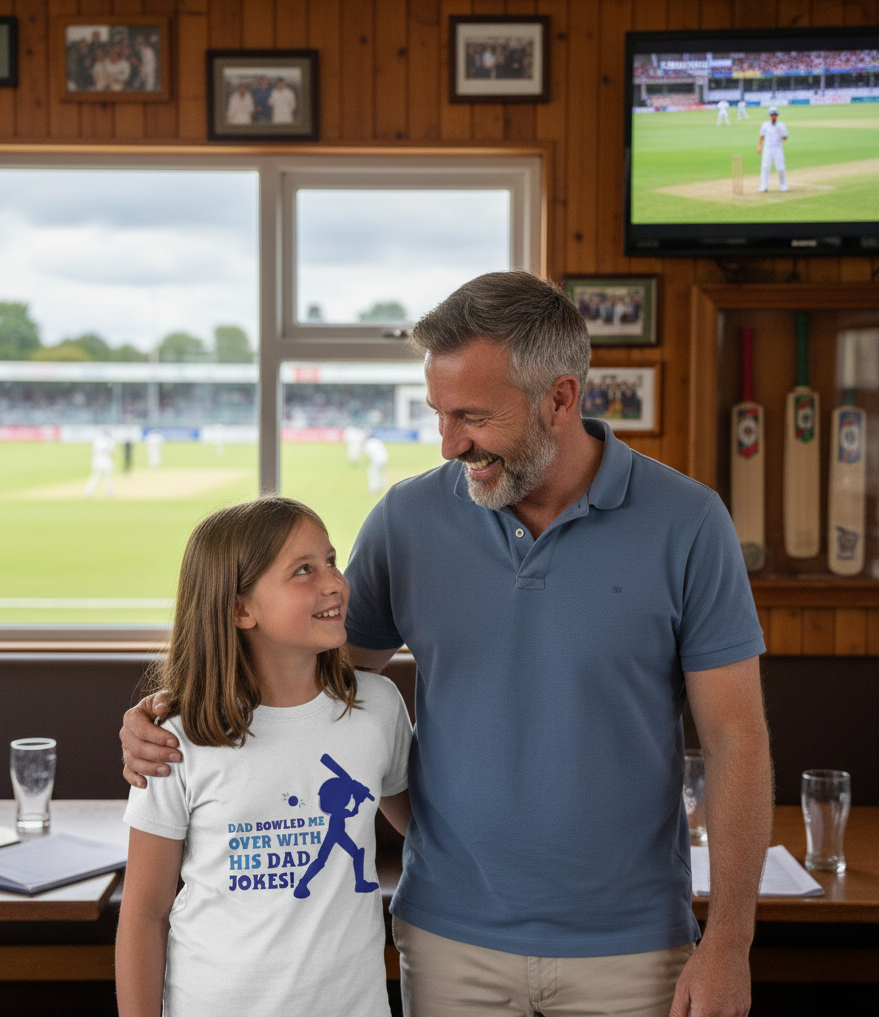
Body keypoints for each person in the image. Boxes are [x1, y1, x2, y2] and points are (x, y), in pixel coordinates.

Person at [121, 272, 772, 1017]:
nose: (449, 441)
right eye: (439, 412)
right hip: (448, 940)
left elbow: (736, 738)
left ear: (560, 398)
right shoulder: (408, 517)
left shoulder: (689, 522)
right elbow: (304, 681)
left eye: (472, 415)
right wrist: (170, 710)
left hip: (633, 947)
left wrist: (729, 941)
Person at [115, 497, 412, 1017]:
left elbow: (427, 830)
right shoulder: (174, 739)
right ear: (239, 609)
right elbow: (144, 911)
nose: (335, 583)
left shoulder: (378, 708)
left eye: (331, 561)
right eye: (303, 570)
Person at [757, 106, 788, 192]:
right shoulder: (765, 125)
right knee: (765, 167)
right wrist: (759, 146)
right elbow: (761, 136)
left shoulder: (781, 125)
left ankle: (783, 185)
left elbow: (785, 138)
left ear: (777, 115)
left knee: (780, 167)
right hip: (767, 148)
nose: (774, 116)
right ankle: (764, 186)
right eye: (772, 115)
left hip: (778, 149)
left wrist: (781, 134)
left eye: (775, 115)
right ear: (770, 115)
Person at [84, 428, 116, 497]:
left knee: (108, 476)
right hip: (99, 459)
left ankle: (109, 490)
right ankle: (89, 490)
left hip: (106, 459)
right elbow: (97, 450)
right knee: (96, 475)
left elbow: (111, 451)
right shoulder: (99, 440)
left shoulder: (109, 440)